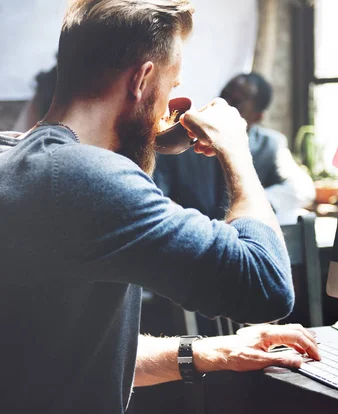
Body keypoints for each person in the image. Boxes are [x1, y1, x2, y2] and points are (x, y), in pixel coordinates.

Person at [0, 1, 319, 413]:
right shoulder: (85, 177)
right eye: (171, 87)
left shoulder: (17, 157)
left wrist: (214, 351)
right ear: (142, 79)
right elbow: (267, 286)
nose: (169, 104)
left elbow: (64, 355)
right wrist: (236, 151)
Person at [154, 72, 315, 223]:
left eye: (236, 102)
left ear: (257, 116)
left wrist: (252, 205)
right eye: (223, 95)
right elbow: (156, 195)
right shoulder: (181, 140)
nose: (224, 104)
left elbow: (302, 188)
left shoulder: (270, 145)